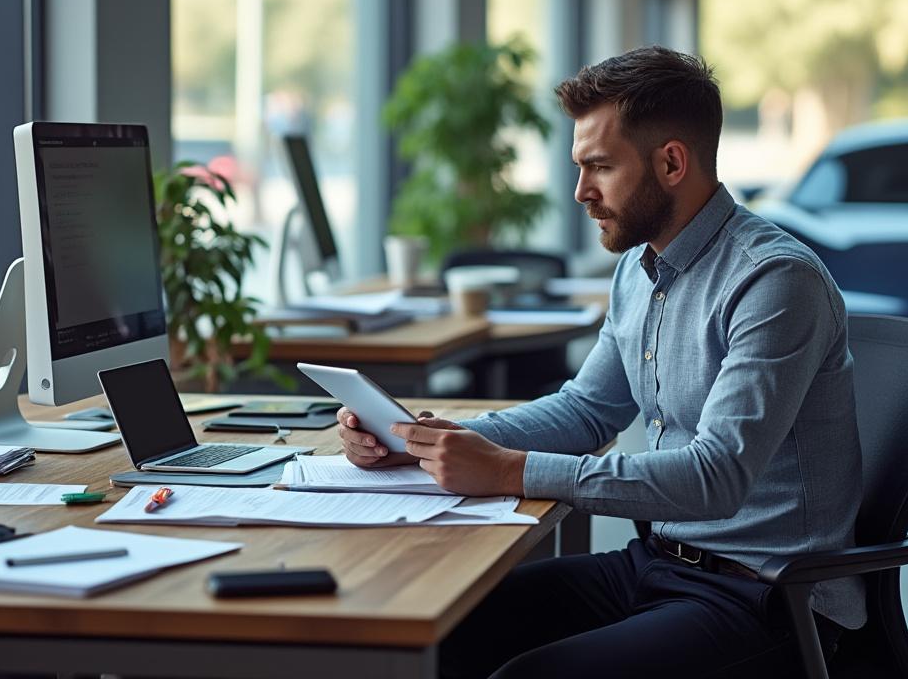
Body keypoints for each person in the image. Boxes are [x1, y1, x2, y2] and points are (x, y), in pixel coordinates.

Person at [336, 46, 863, 678]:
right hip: (660, 562)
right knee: (433, 630)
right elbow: (587, 409)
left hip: (768, 595)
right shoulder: (636, 271)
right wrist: (426, 440)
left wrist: (510, 471)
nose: (581, 192)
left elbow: (716, 478)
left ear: (671, 161)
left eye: (600, 167)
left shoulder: (773, 281)